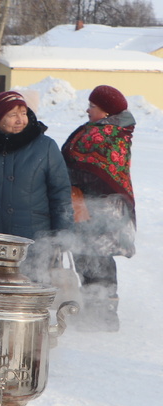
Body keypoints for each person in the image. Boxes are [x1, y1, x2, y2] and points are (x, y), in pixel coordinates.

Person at [0, 91, 73, 276]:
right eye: (12, 114)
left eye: (23, 113)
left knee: (28, 300)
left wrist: (62, 233)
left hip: (34, 243)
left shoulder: (46, 147)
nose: (20, 120)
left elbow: (60, 194)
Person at [61, 85, 135, 331]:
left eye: (92, 106)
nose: (87, 109)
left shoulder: (108, 134)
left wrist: (71, 176)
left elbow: (100, 172)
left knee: (99, 259)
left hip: (103, 209)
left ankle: (104, 315)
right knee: (84, 255)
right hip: (87, 205)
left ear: (105, 111)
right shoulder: (100, 130)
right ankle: (93, 310)